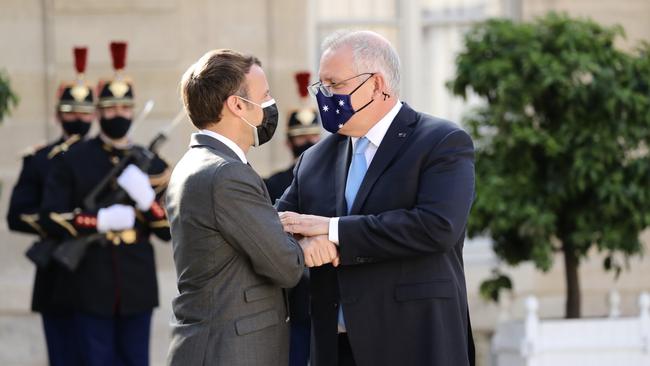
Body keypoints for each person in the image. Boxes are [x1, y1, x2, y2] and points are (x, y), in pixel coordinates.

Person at [277, 30, 476, 366]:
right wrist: (304, 242)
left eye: (335, 85)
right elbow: (276, 220)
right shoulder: (314, 159)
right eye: (321, 87)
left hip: (415, 343)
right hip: (335, 349)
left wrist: (334, 230)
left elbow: (437, 227)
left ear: (377, 84)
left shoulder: (441, 142)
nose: (325, 97)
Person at [165, 49, 305, 366]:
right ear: (237, 105)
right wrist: (316, 240)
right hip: (229, 352)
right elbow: (286, 266)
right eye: (265, 95)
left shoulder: (198, 163)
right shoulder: (226, 173)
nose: (270, 105)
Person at [39, 41, 171, 366]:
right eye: (110, 109)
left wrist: (146, 201)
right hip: (88, 281)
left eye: (125, 108)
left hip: (136, 282)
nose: (118, 115)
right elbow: (50, 217)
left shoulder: (152, 165)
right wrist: (98, 221)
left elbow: (168, 230)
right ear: (98, 112)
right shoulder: (73, 160)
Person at [6, 46, 94, 366]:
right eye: (71, 112)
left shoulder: (104, 160)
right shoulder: (40, 160)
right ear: (58, 115)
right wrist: (58, 221)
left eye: (85, 113)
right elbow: (16, 216)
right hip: (56, 276)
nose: (79, 119)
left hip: (99, 279)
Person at [264, 71, 321, 366]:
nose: (308, 142)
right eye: (301, 138)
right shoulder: (273, 184)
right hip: (293, 296)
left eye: (313, 136)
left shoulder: (336, 177)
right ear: (288, 142)